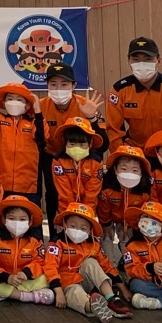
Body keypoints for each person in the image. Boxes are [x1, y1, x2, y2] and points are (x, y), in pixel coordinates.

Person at [36, 62, 105, 223]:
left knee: (87, 193)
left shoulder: (86, 105)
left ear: (73, 86)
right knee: (53, 194)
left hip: (82, 155)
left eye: (64, 84)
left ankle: (85, 226)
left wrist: (92, 118)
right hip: (51, 155)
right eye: (53, 84)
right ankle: (56, 230)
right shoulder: (39, 106)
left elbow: (103, 143)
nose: (58, 89)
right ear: (47, 86)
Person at [44, 202, 131, 322]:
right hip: (66, 284)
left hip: (86, 281)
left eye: (83, 228)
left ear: (90, 230)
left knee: (91, 262)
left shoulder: (93, 244)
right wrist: (58, 291)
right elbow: (50, 266)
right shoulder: (57, 243)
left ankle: (111, 298)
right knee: (75, 293)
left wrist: (124, 289)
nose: (77, 230)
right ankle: (92, 307)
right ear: (65, 224)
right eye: (73, 226)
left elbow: (107, 266)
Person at [0, 82, 45, 204]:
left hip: (29, 182)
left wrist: (38, 112)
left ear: (27, 105)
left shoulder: (33, 123)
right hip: (3, 180)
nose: (14, 102)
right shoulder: (0, 119)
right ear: (4, 103)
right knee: (3, 211)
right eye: (10, 99)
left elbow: (42, 136)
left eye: (19, 100)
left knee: (30, 212)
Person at [0, 195, 54, 305]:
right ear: (3, 219)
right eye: (11, 218)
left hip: (25, 280)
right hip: (2, 279)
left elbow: (39, 261)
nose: (17, 222)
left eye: (22, 219)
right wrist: (7, 277)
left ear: (30, 221)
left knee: (46, 277)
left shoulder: (35, 241)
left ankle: (6, 293)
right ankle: (28, 296)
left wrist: (26, 273)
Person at [96, 143, 152, 268]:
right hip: (109, 218)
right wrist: (106, 224)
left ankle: (129, 266)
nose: (129, 173)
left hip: (129, 221)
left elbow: (143, 211)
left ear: (142, 172)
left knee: (126, 240)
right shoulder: (107, 188)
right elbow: (103, 209)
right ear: (115, 169)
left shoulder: (144, 191)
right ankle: (109, 267)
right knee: (106, 237)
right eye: (124, 169)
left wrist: (132, 224)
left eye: (135, 170)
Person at [47, 116, 106, 225]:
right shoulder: (58, 161)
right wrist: (68, 215)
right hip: (65, 209)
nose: (77, 148)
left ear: (90, 144)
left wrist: (86, 216)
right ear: (65, 142)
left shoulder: (96, 163)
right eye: (72, 144)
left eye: (82, 144)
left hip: (88, 211)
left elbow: (92, 193)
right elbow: (64, 191)